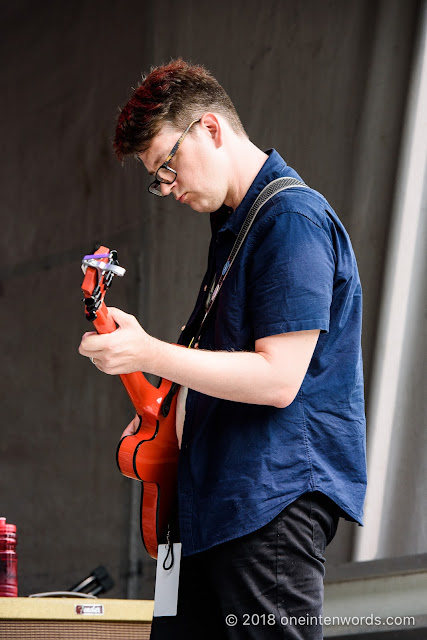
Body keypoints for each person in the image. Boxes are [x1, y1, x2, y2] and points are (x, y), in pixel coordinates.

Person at [79, 59, 367, 639]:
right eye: (156, 177)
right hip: (211, 512)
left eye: (167, 165)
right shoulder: (235, 231)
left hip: (267, 507)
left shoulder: (292, 219)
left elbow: (278, 378)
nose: (167, 188)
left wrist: (149, 354)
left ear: (210, 129)